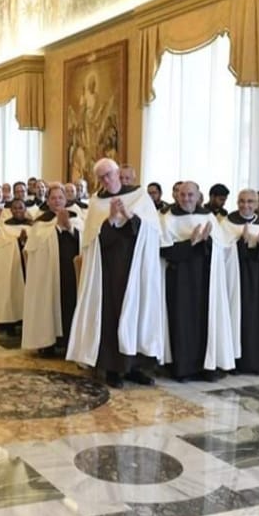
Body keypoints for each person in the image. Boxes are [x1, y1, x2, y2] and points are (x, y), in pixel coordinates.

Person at [67, 159, 165, 388]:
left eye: (109, 174)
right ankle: (113, 368)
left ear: (118, 173)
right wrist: (110, 219)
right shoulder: (96, 202)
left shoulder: (140, 196)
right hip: (108, 271)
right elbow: (93, 239)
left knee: (138, 312)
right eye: (101, 177)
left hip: (136, 267)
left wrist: (130, 215)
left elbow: (151, 232)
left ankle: (135, 367)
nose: (106, 180)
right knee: (111, 315)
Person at [160, 181, 235, 381]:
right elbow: (164, 250)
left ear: (198, 196)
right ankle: (183, 368)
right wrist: (190, 243)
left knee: (206, 320)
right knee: (182, 322)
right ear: (176, 196)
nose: (186, 199)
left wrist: (208, 240)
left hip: (206, 277)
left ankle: (207, 366)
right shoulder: (168, 218)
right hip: (180, 278)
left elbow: (222, 247)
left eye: (190, 195)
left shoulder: (207, 216)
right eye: (183, 195)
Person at [221, 189, 259, 374]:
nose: (246, 205)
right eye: (242, 201)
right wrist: (240, 243)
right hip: (234, 279)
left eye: (250, 202)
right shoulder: (227, 223)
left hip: (257, 280)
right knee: (234, 317)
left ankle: (254, 362)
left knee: (256, 319)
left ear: (257, 204)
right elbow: (220, 251)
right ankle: (233, 361)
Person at [22, 184, 82, 357]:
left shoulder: (76, 218)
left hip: (69, 271)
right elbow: (35, 246)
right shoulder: (41, 222)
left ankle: (69, 341)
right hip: (48, 273)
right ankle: (47, 342)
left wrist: (69, 227)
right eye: (53, 198)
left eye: (60, 198)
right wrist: (57, 227)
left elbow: (83, 240)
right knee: (48, 304)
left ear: (66, 200)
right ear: (48, 201)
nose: (57, 201)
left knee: (70, 303)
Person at [0, 198, 32, 332]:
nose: (18, 210)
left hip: (28, 267)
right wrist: (18, 241)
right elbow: (0, 249)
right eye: (15, 208)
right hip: (11, 266)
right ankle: (9, 321)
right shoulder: (5, 227)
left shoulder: (32, 226)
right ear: (11, 211)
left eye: (21, 208)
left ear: (25, 210)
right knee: (11, 289)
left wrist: (26, 241)